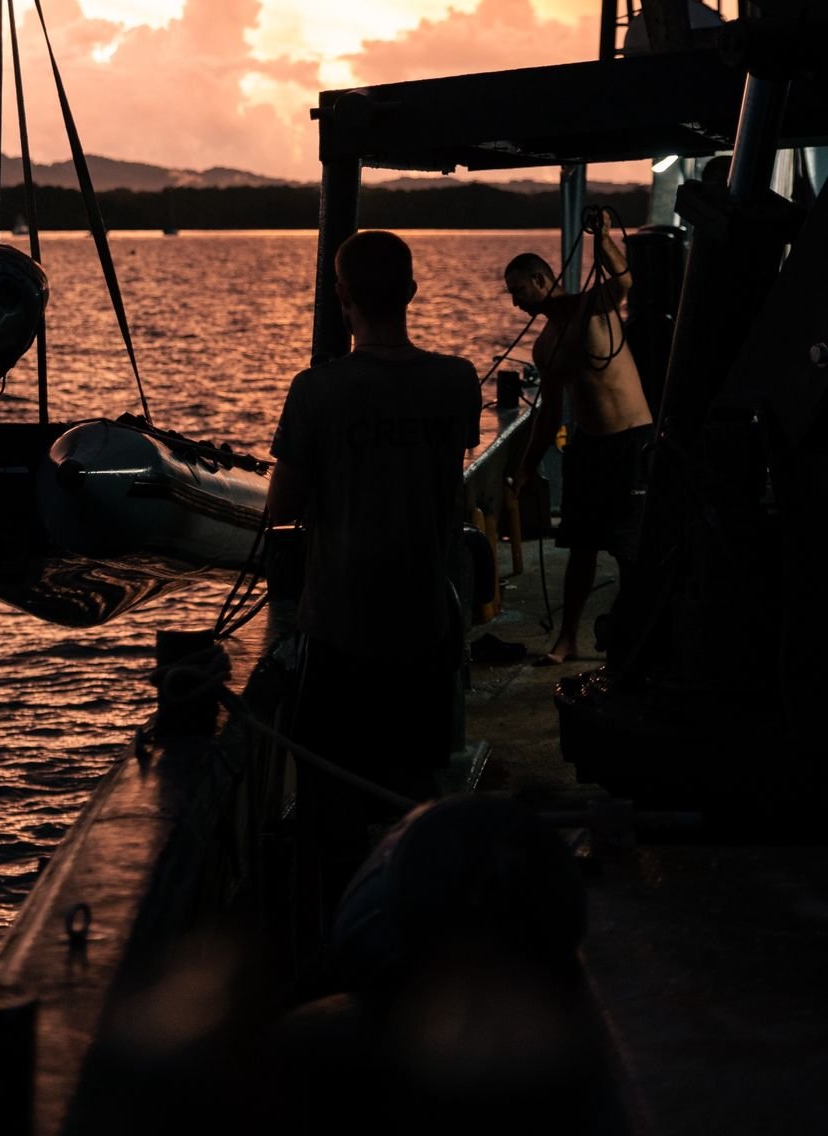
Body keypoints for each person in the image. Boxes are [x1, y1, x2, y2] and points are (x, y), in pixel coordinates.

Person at [266, 230, 481, 930]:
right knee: (413, 790)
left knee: (331, 803)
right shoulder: (457, 380)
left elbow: (282, 511)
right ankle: (418, 934)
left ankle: (341, 937)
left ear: (342, 298)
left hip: (340, 628)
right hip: (423, 622)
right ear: (412, 293)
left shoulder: (316, 390)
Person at [504, 210, 652, 665]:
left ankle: (637, 639)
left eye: (518, 292)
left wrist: (604, 237)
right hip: (588, 447)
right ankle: (567, 639)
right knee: (582, 547)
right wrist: (527, 466)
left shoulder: (594, 307)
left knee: (631, 549)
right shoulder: (544, 344)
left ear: (540, 278)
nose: (516, 304)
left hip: (631, 441)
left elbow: (625, 281)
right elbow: (549, 413)